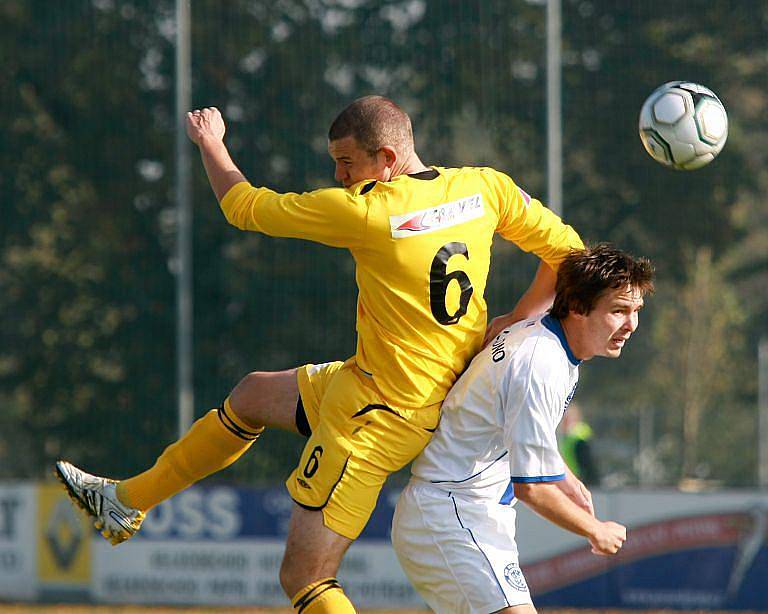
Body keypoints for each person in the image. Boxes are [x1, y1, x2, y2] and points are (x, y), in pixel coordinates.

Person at [55, 95, 583, 613]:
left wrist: (211, 143)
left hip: (379, 416)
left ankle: (125, 505)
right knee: (255, 394)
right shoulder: (484, 187)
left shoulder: (370, 211)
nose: (339, 176)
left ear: (388, 160)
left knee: (304, 577)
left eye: (346, 163)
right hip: (390, 383)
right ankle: (125, 502)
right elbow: (568, 253)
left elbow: (243, 207)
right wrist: (518, 315)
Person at [392, 243, 654, 614]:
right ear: (577, 307)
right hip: (450, 516)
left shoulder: (550, 343)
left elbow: (516, 433)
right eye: (618, 311)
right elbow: (531, 488)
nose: (631, 325)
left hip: (469, 516)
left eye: (636, 311)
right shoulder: (540, 363)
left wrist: (566, 478)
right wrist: (593, 529)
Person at [559, 402, 600, 486]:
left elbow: (587, 463)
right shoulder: (568, 437)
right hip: (573, 478)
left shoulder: (578, 438)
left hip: (581, 480)